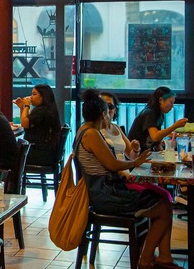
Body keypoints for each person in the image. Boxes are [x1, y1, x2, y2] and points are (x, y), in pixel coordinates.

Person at [76, 89, 180, 269]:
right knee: (163, 207)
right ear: (102, 114)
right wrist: (137, 160)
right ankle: (146, 261)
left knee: (162, 202)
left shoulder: (84, 130)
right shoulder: (91, 133)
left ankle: (160, 258)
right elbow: (113, 165)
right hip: (106, 194)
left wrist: (135, 156)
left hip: (104, 189)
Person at [127, 86, 188, 152]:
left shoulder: (159, 114)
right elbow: (155, 136)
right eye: (171, 102)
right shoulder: (149, 113)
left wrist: (162, 152)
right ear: (160, 100)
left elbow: (157, 142)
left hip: (146, 152)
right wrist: (175, 126)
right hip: (135, 154)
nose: (172, 106)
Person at [14, 84, 61, 165]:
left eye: (34, 94)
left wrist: (27, 106)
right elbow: (25, 123)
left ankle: (13, 177)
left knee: (9, 154)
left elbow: (25, 123)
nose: (31, 97)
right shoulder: (46, 108)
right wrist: (22, 107)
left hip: (40, 153)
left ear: (43, 96)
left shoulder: (43, 111)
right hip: (46, 151)